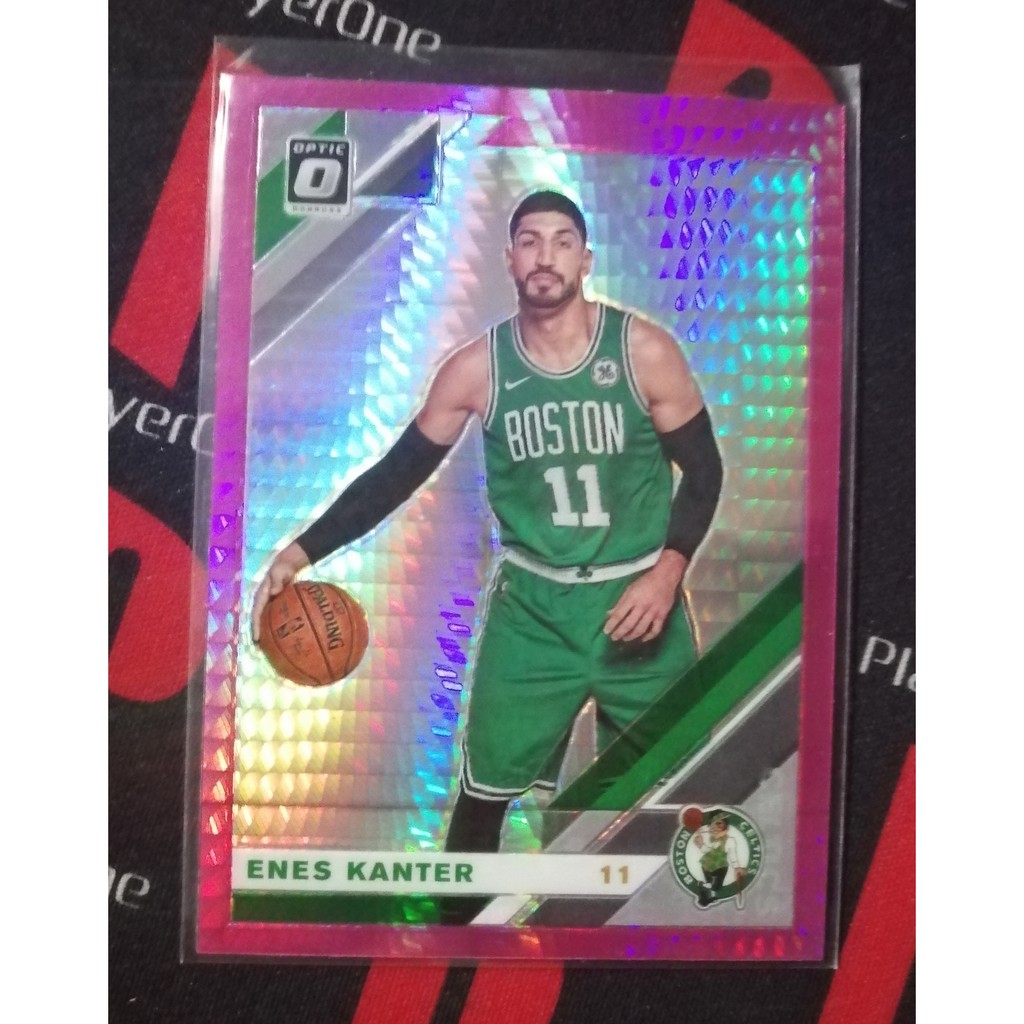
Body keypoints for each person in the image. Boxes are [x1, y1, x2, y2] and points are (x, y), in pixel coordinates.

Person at [252, 190, 723, 861]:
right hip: (534, 610)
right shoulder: (477, 368)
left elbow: (704, 471)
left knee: (686, 794)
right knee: (483, 797)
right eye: (530, 241)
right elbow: (398, 473)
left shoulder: (643, 351)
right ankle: (456, 922)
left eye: (562, 241)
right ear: (509, 259)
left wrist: (669, 570)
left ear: (586, 259)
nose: (545, 256)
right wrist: (300, 551)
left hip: (639, 599)